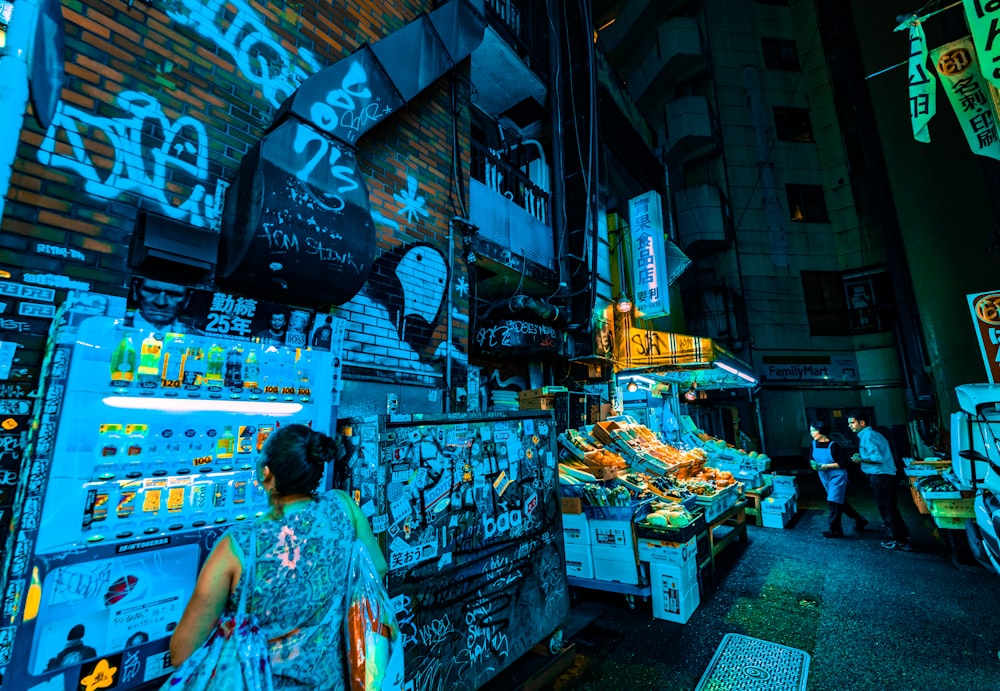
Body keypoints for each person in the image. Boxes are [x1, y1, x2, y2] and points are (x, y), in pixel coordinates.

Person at [169, 424, 387, 688]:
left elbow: (182, 651)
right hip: (332, 680)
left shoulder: (238, 545)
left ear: (266, 473)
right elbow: (378, 567)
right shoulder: (343, 507)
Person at [848, 410, 911, 550]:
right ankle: (902, 537)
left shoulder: (869, 436)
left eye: (852, 423)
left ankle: (899, 539)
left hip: (881, 476)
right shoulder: (870, 435)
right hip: (884, 476)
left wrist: (860, 459)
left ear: (862, 422)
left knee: (887, 508)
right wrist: (862, 455)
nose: (850, 426)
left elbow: (877, 459)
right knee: (889, 508)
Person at [808, 420, 868, 538]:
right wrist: (813, 464)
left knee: (833, 501)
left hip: (837, 476)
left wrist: (826, 466)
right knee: (840, 501)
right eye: (811, 431)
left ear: (822, 431)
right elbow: (811, 458)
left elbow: (844, 463)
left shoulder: (834, 445)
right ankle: (859, 519)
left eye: (814, 430)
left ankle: (835, 530)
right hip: (824, 476)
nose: (812, 433)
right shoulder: (813, 444)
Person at [128, 277, 199, 335]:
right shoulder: (120, 326)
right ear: (135, 290)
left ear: (187, 298)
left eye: (173, 294)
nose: (161, 303)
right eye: (152, 291)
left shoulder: (198, 337)